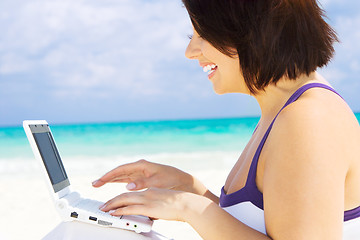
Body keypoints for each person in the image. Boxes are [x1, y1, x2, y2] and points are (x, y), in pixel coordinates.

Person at [92, 0, 360, 239]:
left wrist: (189, 208)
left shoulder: (307, 119)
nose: (190, 51)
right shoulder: (283, 111)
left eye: (203, 34)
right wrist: (192, 189)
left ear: (249, 30)